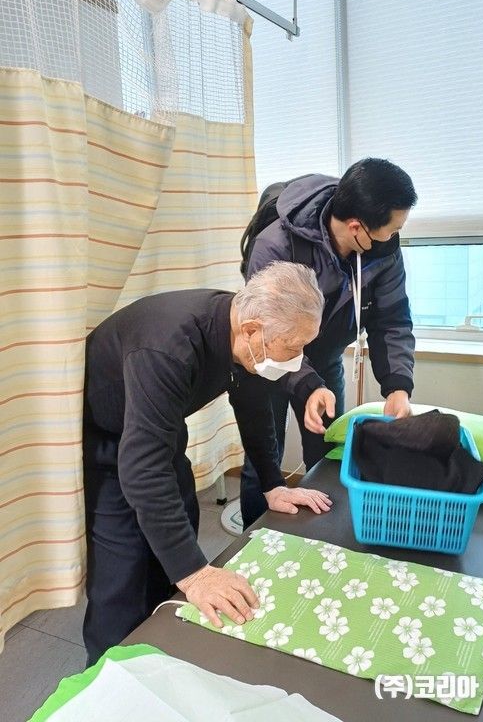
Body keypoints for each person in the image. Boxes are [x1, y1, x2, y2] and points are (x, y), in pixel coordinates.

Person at [82, 262, 332, 665]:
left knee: (177, 535)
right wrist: (195, 574)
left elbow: (253, 409)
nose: (297, 359)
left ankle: (158, 649)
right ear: (251, 330)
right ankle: (105, 676)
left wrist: (272, 484)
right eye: (292, 347)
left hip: (159, 434)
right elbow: (142, 469)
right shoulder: (169, 346)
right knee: (124, 576)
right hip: (109, 444)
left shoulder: (243, 335)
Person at [241, 158, 418, 528]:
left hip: (325, 357)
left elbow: (392, 318)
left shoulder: (383, 250)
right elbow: (270, 333)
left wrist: (398, 387)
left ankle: (325, 537)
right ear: (356, 227)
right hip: (272, 360)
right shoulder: (274, 246)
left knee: (328, 450)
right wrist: (307, 385)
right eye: (391, 229)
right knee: (264, 459)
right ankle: (254, 541)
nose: (394, 236)